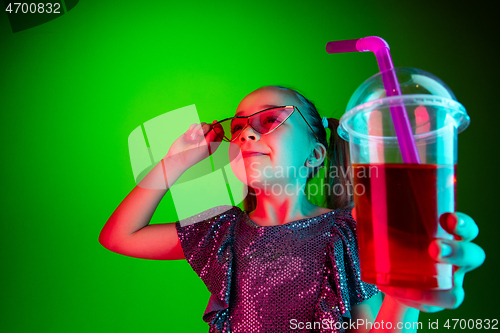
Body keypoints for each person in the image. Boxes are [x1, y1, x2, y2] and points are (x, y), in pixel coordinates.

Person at [99, 86, 485, 332]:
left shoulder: (350, 230)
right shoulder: (219, 232)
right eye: (240, 127)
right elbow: (119, 236)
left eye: (270, 120)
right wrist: (174, 163)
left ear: (315, 154)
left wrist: (405, 298)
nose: (248, 133)